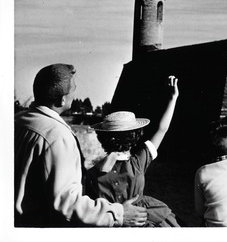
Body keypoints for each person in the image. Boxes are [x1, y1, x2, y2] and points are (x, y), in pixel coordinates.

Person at [15, 63, 148, 227]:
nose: (74, 94)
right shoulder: (57, 136)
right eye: (73, 90)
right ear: (62, 99)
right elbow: (66, 203)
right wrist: (117, 214)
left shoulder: (18, 121)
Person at [86, 75, 180, 227]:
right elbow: (162, 129)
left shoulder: (92, 174)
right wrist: (173, 98)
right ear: (134, 136)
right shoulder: (138, 161)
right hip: (142, 220)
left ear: (103, 138)